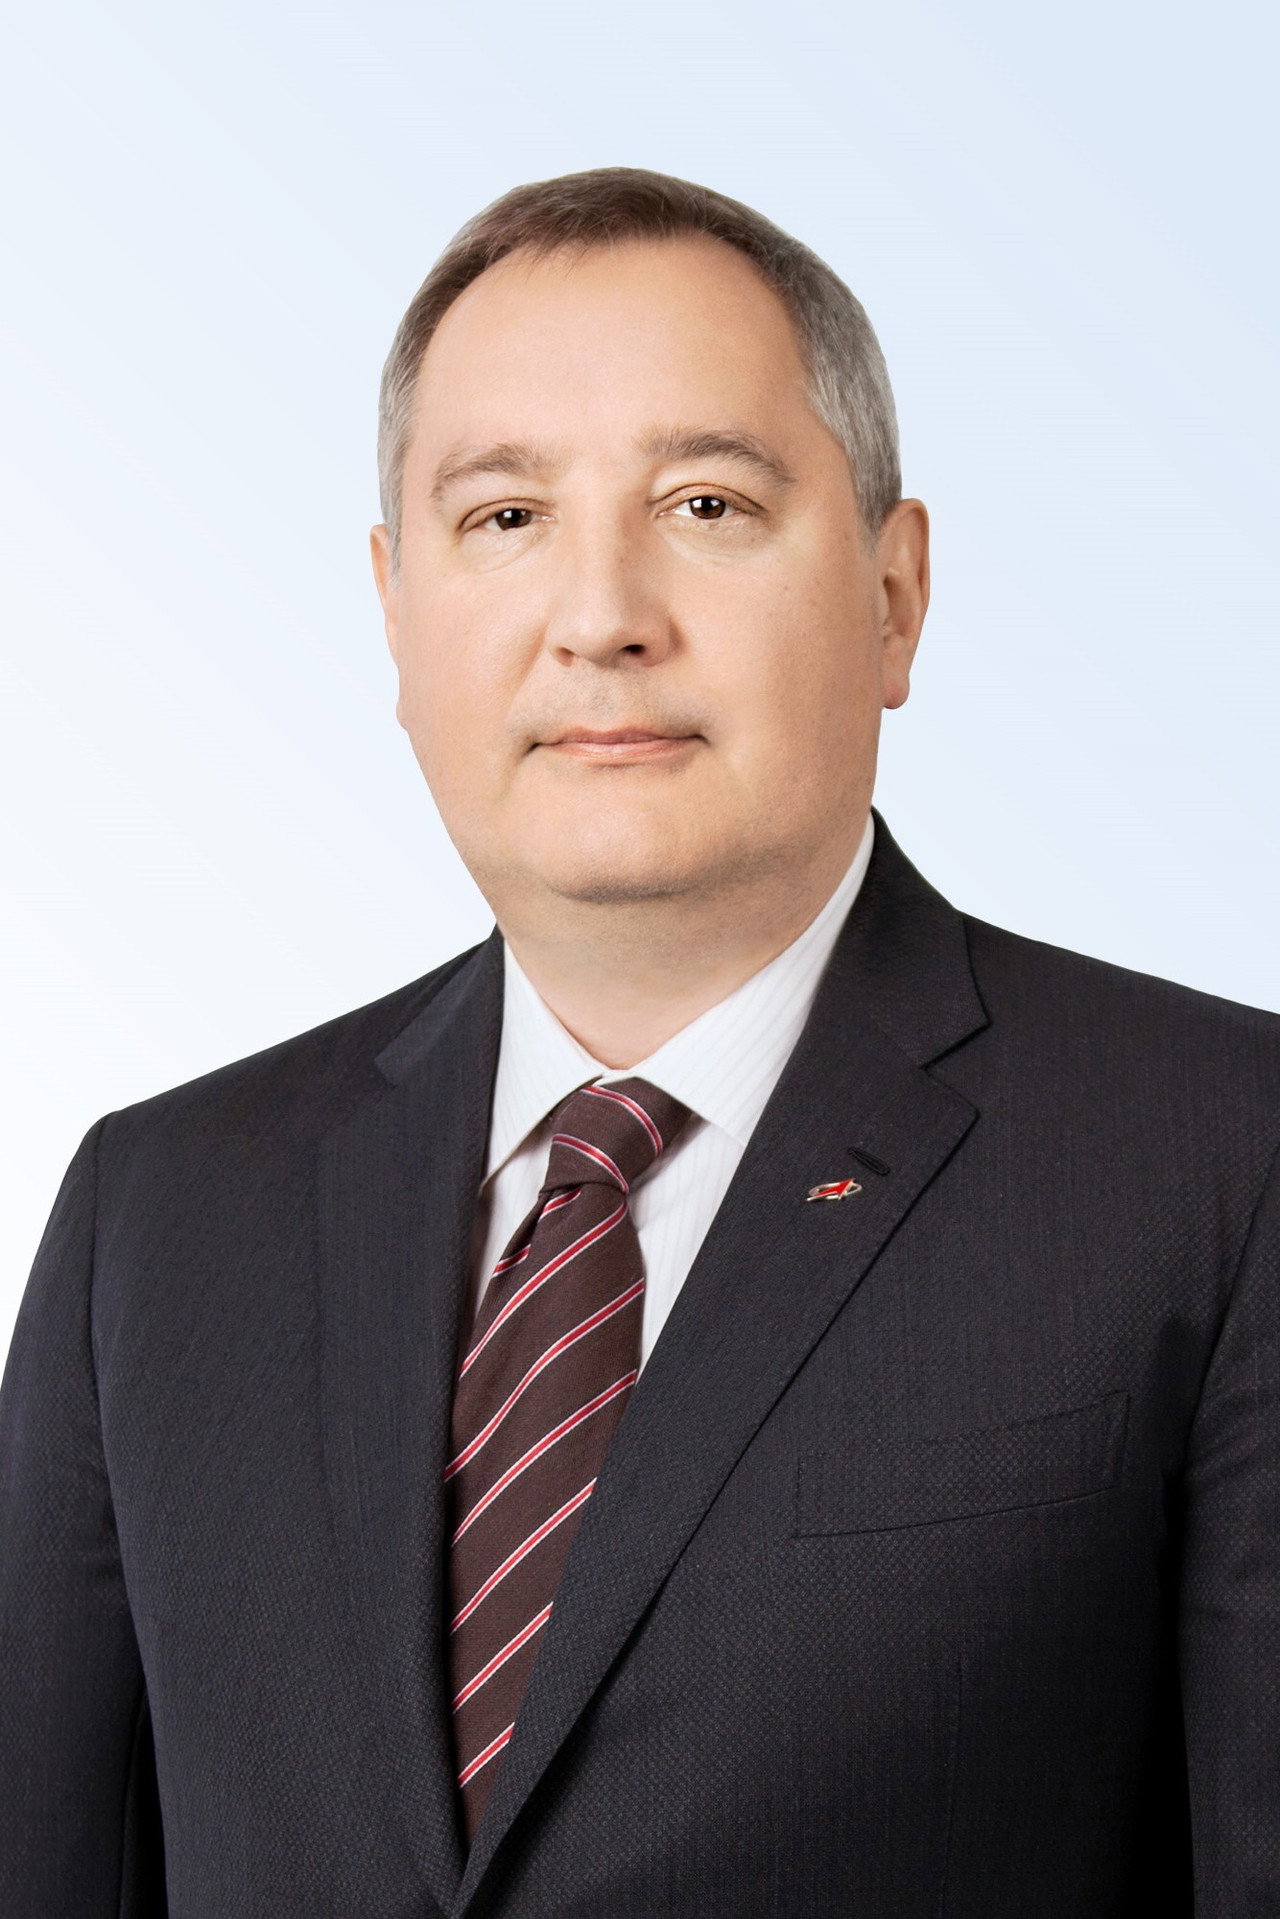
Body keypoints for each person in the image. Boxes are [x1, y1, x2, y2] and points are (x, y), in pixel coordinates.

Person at [1, 165, 1276, 1919]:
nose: (600, 613)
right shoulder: (157, 1217)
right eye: (505, 516)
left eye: (705, 503)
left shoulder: (1224, 1164)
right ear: (394, 610)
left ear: (895, 593)